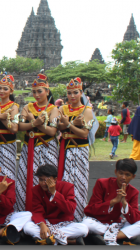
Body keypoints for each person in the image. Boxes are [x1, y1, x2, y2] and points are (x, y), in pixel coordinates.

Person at [16, 73, 59, 212]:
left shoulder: (53, 109)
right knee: (25, 177)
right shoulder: (28, 107)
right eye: (34, 91)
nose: (36, 94)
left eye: (39, 91)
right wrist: (35, 122)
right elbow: (20, 127)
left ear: (47, 91)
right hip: (29, 147)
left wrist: (35, 124)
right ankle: (26, 208)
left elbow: (52, 132)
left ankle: (47, 210)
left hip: (47, 147)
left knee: (47, 178)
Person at [57, 77, 94, 222]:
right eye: (70, 93)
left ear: (81, 93)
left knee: (78, 181)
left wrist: (69, 125)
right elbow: (58, 127)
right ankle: (62, 215)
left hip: (79, 149)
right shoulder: (62, 108)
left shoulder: (87, 111)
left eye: (75, 93)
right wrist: (70, 124)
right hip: (64, 148)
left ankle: (77, 215)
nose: (72, 96)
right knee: (63, 179)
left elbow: (85, 133)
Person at [23, 164, 88, 245]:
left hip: (64, 223)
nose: (43, 183)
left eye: (47, 180)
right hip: (47, 223)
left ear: (55, 179)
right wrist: (42, 225)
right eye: (41, 180)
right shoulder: (36, 190)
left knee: (83, 229)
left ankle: (49, 239)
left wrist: (54, 193)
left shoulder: (67, 187)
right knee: (27, 227)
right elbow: (37, 211)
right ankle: (67, 240)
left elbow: (70, 210)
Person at [83, 158, 140, 245]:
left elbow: (135, 219)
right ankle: (120, 235)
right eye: (121, 173)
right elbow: (90, 210)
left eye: (127, 175)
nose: (123, 177)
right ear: (116, 172)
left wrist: (124, 203)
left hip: (116, 224)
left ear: (133, 177)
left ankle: (107, 237)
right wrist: (113, 201)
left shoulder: (133, 192)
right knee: (86, 224)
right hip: (99, 223)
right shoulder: (102, 183)